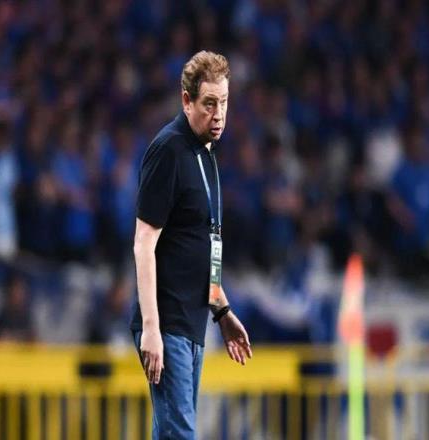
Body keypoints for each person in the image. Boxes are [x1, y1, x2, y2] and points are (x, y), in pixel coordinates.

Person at [130, 51, 252, 440]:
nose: (219, 115)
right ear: (186, 100)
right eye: (209, 104)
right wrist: (152, 329)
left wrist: (222, 309)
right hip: (168, 324)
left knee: (170, 433)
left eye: (224, 103)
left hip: (194, 322)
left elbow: (203, 244)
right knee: (180, 434)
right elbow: (143, 244)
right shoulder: (168, 149)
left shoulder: (206, 154)